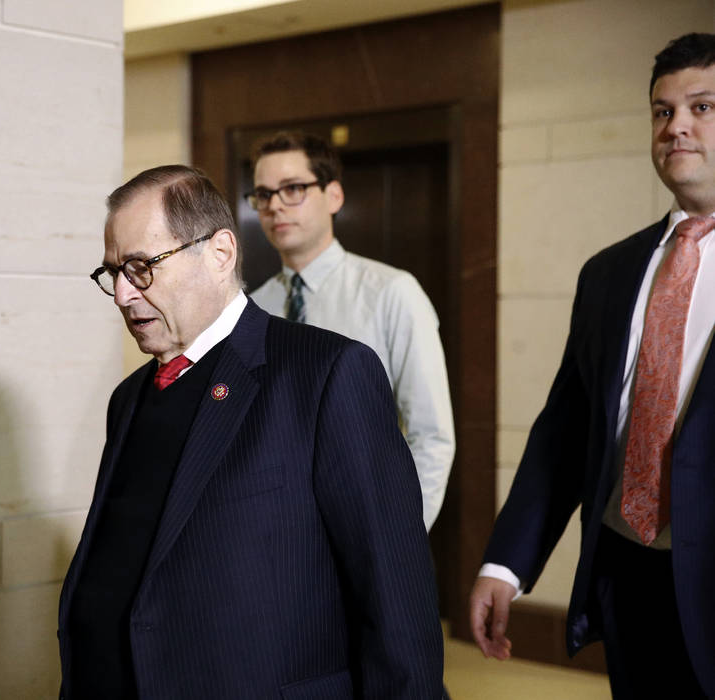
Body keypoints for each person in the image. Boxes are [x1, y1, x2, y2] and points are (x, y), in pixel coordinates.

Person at [58, 165, 444, 699]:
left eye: (142, 267)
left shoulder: (328, 374)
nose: (123, 294)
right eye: (113, 273)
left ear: (219, 253)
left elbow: (394, 595)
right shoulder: (128, 398)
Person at [469, 33, 715, 699]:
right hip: (628, 576)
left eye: (702, 107)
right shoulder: (610, 274)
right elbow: (565, 431)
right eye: (663, 112)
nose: (678, 127)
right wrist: (507, 563)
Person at [248, 132, 454, 530]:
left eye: (292, 189)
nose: (274, 205)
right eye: (263, 194)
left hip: (364, 522)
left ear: (335, 196)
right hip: (273, 530)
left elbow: (431, 437)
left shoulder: (391, 292)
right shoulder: (254, 309)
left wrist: (400, 539)